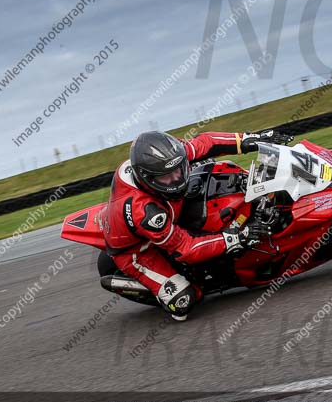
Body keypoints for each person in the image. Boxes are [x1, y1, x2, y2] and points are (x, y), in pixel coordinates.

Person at [103, 130, 292, 321]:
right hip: (138, 252)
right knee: (185, 301)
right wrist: (235, 238)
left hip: (165, 210)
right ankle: (162, 289)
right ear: (147, 178)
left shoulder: (165, 159)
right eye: (166, 177)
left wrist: (246, 140)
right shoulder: (145, 212)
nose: (176, 179)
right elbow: (186, 248)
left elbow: (206, 143)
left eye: (178, 170)